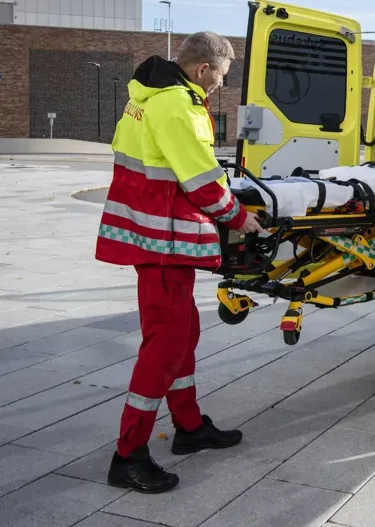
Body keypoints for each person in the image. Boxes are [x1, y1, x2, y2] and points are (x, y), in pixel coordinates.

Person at [95, 31, 265, 494]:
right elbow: (202, 178)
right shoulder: (177, 105)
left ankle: (188, 427)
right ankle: (128, 455)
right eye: (221, 78)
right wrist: (239, 217)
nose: (218, 88)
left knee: (183, 331)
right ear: (204, 68)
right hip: (162, 241)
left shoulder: (145, 98)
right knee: (165, 346)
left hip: (156, 235)